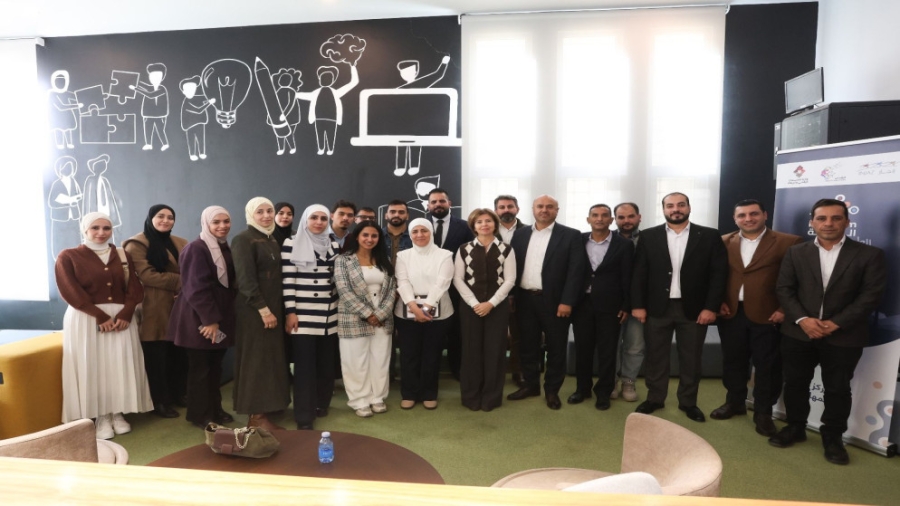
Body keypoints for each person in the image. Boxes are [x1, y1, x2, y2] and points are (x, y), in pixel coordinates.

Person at [771, 198, 886, 465]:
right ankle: (796, 427)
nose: (829, 223)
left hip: (844, 335)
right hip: (799, 333)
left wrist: (836, 323)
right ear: (812, 223)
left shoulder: (870, 255)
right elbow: (784, 289)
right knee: (795, 383)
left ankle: (833, 437)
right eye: (822, 218)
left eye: (836, 218)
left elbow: (871, 295)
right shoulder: (796, 252)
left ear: (847, 222)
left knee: (838, 389)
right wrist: (803, 320)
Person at [631, 192, 727, 423]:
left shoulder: (709, 236)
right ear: (663, 209)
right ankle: (655, 398)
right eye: (670, 205)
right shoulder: (648, 236)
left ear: (689, 208)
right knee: (656, 357)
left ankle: (688, 402)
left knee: (691, 359)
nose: (676, 209)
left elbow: (718, 274)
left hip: (694, 309)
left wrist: (711, 307)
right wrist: (638, 305)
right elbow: (639, 273)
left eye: (681, 205)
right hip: (657, 308)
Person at [56, 212, 152, 439]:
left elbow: (134, 287)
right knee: (93, 365)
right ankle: (100, 417)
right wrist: (100, 316)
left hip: (121, 319)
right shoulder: (68, 256)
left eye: (106, 228)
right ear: (85, 229)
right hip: (86, 318)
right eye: (95, 228)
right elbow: (70, 290)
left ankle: (117, 412)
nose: (101, 232)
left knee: (119, 363)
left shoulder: (122, 254)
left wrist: (127, 313)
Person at [713, 199, 802, 436]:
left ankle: (763, 412)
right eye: (742, 215)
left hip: (769, 314)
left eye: (753, 214)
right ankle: (735, 402)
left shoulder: (788, 242)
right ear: (735, 219)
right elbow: (715, 276)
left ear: (765, 215)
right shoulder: (723, 241)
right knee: (733, 361)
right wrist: (718, 301)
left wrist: (784, 309)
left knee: (767, 366)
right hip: (731, 312)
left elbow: (798, 280)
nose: (748, 219)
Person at [507, 195, 586, 410]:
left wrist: (567, 301)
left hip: (556, 302)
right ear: (533, 209)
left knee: (556, 347)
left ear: (557, 210)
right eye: (540, 206)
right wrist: (512, 295)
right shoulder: (520, 234)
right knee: (527, 345)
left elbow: (576, 272)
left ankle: (552, 390)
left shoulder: (571, 235)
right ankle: (530, 385)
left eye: (549, 207)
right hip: (525, 299)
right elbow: (513, 267)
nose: (544, 210)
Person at [168, 206, 237, 428]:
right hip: (199, 319)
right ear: (206, 224)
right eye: (216, 222)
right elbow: (195, 288)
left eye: (226, 221)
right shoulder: (195, 249)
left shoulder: (223, 247)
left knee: (215, 367)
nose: (222, 226)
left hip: (218, 317)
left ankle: (215, 409)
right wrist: (210, 320)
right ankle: (200, 415)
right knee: (200, 369)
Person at [123, 204, 189, 419]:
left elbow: (192, 268)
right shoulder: (136, 244)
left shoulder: (180, 242)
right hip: (153, 307)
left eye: (170, 217)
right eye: (161, 216)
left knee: (178, 353)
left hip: (179, 304)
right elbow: (147, 275)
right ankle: (160, 401)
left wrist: (186, 285)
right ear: (151, 218)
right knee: (156, 356)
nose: (166, 220)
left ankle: (179, 394)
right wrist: (184, 282)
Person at [231, 197, 289, 431]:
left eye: (269, 211)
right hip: (255, 311)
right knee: (256, 361)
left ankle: (269, 406)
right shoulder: (243, 239)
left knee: (269, 359)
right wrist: (263, 310)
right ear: (250, 215)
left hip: (272, 308)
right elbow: (245, 280)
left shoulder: (270, 238)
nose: (266, 216)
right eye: (260, 212)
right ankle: (256, 416)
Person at [569, 204, 634, 411]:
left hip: (611, 305)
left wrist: (626, 305)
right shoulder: (577, 240)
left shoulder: (624, 245)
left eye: (604, 215)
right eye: (595, 215)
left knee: (608, 351)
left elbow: (628, 277)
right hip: (582, 304)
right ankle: (582, 389)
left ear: (611, 220)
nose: (599, 219)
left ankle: (604, 392)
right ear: (588, 219)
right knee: (583, 349)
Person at [282, 204, 340, 430]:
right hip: (303, 315)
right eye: (314, 217)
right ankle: (304, 416)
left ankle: (321, 403)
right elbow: (288, 281)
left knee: (326, 365)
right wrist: (291, 312)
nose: (318, 222)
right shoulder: (291, 243)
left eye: (323, 218)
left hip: (329, 315)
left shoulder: (333, 244)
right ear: (305, 220)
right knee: (304, 368)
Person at [453, 209, 516, 411]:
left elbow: (510, 280)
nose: (484, 224)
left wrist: (491, 303)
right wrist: (474, 303)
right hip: (470, 308)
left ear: (495, 224)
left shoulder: (506, 249)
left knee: (495, 352)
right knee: (471, 352)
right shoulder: (464, 249)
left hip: (497, 308)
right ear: (473, 226)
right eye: (479, 221)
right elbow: (458, 279)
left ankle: (491, 398)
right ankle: (471, 397)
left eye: (488, 221)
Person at [334, 221, 397, 417]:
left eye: (374, 236)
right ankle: (359, 400)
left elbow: (391, 290)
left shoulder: (384, 259)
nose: (370, 239)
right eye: (365, 235)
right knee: (355, 361)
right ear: (357, 236)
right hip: (353, 316)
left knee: (380, 359)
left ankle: (377, 397)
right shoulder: (343, 260)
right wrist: (368, 314)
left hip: (382, 316)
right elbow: (344, 290)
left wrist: (380, 314)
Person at [394, 218, 455, 409]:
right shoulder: (403, 256)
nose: (419, 235)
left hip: (439, 312)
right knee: (409, 354)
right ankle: (409, 393)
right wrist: (414, 308)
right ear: (410, 234)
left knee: (432, 354)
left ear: (431, 232)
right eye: (415, 231)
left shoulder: (445, 255)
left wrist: (426, 309)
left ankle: (429, 393)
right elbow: (402, 281)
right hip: (407, 311)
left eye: (424, 231)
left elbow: (442, 283)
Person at [427, 188, 474, 380]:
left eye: (442, 201)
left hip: (456, 288)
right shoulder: (420, 226)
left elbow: (471, 256)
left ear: (449, 203)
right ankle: (431, 369)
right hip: (426, 287)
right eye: (434, 202)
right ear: (428, 205)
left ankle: (457, 369)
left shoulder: (465, 227)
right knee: (430, 330)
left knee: (457, 330)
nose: (438, 204)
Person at [494, 194, 528, 387]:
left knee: (519, 335)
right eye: (502, 207)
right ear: (496, 210)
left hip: (522, 290)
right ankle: (494, 372)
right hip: (491, 291)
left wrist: (513, 293)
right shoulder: (487, 229)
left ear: (517, 209)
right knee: (493, 335)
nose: (506, 210)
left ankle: (518, 371)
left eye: (510, 206)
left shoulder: (529, 231)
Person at [612, 202, 644, 402]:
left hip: (640, 304)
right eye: (621, 217)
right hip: (614, 303)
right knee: (612, 345)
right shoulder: (608, 239)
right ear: (615, 219)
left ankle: (628, 381)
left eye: (631, 216)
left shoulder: (649, 239)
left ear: (639, 217)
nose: (626, 221)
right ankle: (612, 381)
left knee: (635, 346)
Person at [383, 200, 412, 266]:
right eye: (392, 212)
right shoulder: (377, 236)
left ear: (407, 216)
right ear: (386, 215)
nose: (396, 215)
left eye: (401, 212)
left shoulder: (414, 237)